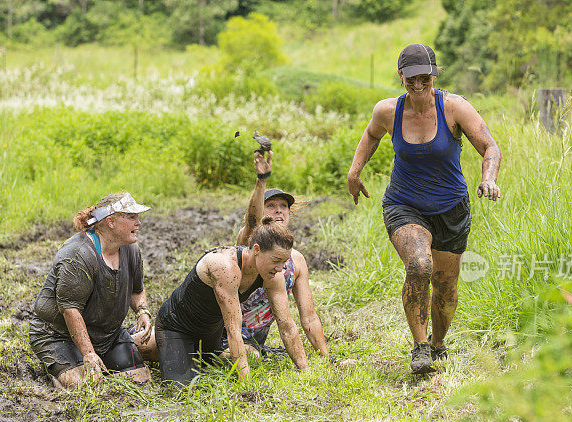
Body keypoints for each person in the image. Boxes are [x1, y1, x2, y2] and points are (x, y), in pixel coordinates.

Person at [346, 43, 502, 374]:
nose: (417, 87)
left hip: (451, 208)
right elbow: (371, 136)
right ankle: (419, 349)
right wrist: (354, 171)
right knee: (419, 266)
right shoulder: (388, 111)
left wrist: (489, 178)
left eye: (424, 80)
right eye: (410, 80)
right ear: (401, 76)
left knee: (445, 283)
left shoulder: (455, 107)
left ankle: (438, 343)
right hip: (404, 203)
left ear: (434, 75)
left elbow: (490, 146)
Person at [154, 217, 310, 386]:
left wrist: (305, 371)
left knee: (244, 359)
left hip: (211, 333)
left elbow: (286, 324)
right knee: (180, 389)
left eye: (284, 262)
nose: (281, 268)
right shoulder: (225, 267)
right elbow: (234, 330)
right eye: (275, 261)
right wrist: (247, 386)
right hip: (178, 327)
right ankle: (140, 339)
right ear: (256, 250)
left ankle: (188, 355)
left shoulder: (273, 275)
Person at [235, 150, 353, 367]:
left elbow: (308, 316)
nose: (279, 211)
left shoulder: (296, 261)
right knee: (250, 358)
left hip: (254, 341)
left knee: (255, 354)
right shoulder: (249, 243)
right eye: (271, 206)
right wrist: (261, 181)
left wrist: (327, 359)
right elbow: (252, 221)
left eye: (284, 207)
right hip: (225, 334)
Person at [29, 192, 155, 388]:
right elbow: (70, 309)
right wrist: (88, 353)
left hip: (106, 333)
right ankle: (57, 368)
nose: (138, 223)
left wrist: (143, 311)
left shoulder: (130, 249)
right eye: (131, 217)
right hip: (58, 334)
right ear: (111, 222)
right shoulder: (77, 254)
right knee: (86, 387)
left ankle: (116, 345)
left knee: (140, 378)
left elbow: (136, 290)